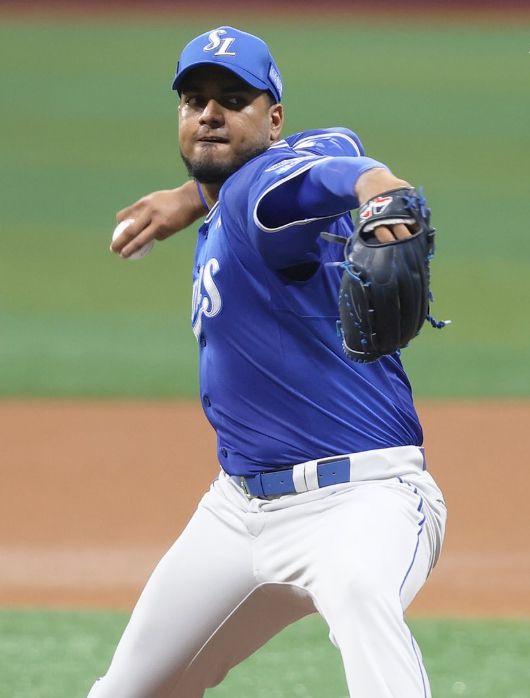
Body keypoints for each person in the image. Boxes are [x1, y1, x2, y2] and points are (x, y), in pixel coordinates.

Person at [91, 26, 447, 698]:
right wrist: (191, 197)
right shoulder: (246, 187)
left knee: (362, 597)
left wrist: (378, 186)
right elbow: (336, 143)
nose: (209, 114)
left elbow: (324, 175)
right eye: (194, 100)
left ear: (273, 118)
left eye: (233, 100)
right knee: (126, 691)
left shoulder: (257, 194)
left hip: (361, 501)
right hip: (235, 514)